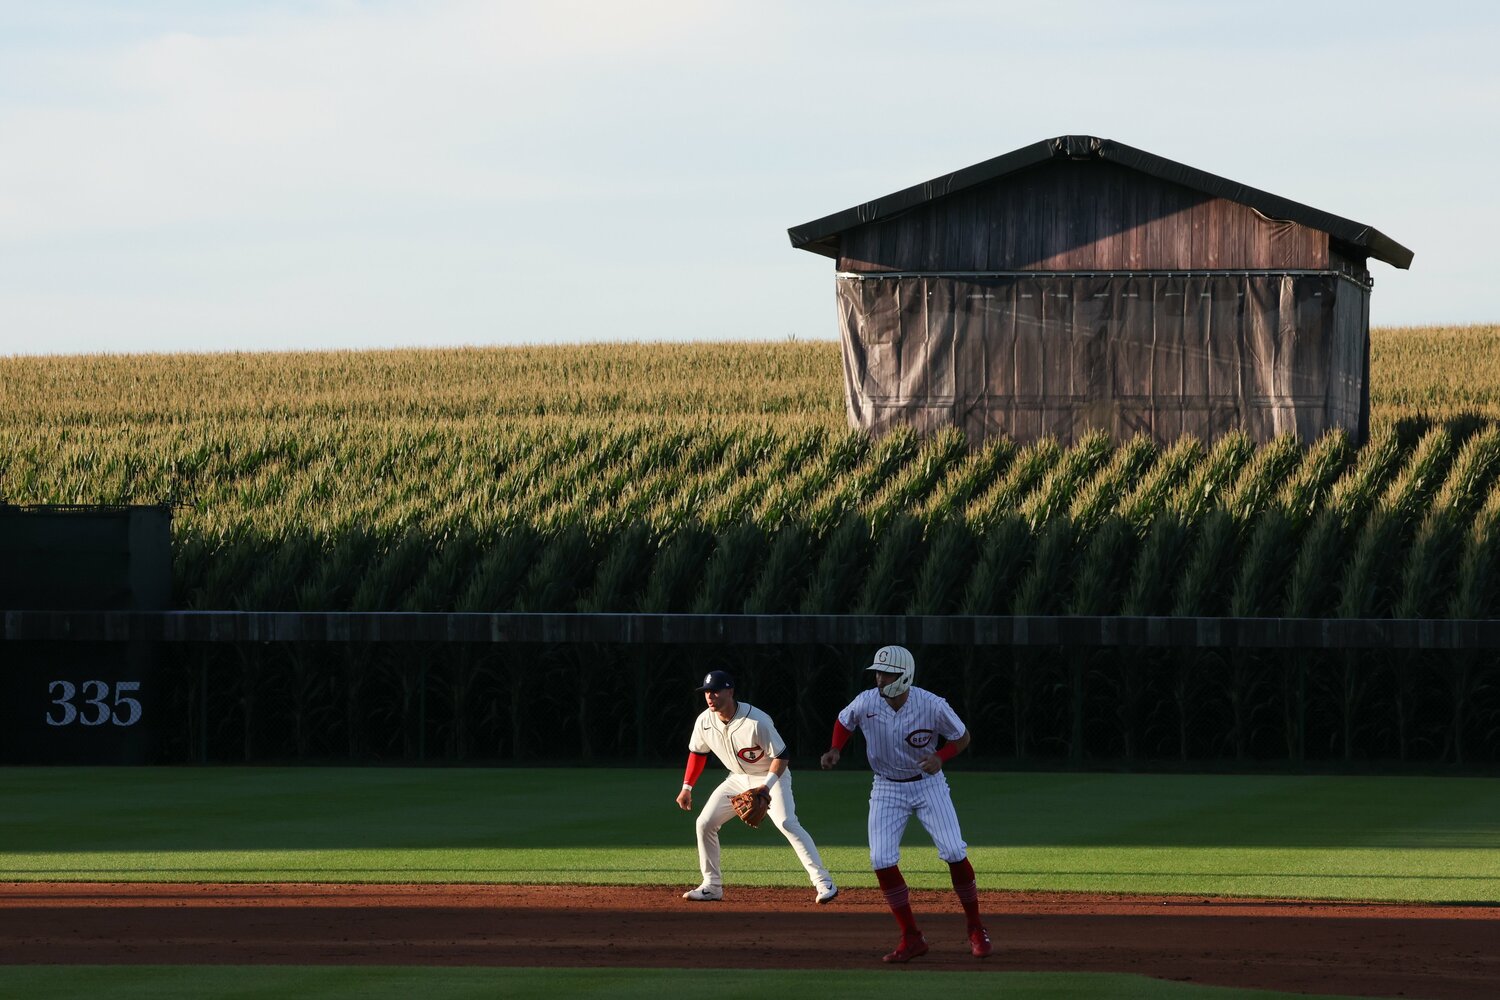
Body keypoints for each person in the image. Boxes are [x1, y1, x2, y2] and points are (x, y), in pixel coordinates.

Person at [820, 644, 992, 963]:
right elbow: (845, 721)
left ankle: (975, 927)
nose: (879, 679)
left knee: (954, 851)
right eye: (877, 673)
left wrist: (941, 757)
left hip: (928, 786)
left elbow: (962, 737)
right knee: (882, 859)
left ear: (903, 676)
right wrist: (835, 749)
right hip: (886, 786)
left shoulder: (932, 705)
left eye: (885, 673)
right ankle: (912, 937)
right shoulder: (867, 701)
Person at [676, 669, 837, 905]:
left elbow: (781, 757)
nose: (710, 696)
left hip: (771, 775)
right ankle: (712, 886)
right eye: (707, 692)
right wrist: (687, 787)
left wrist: (766, 787)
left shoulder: (756, 721)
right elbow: (698, 753)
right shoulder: (704, 721)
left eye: (716, 691)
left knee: (787, 823)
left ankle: (825, 883)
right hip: (737, 778)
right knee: (705, 823)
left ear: (730, 692)